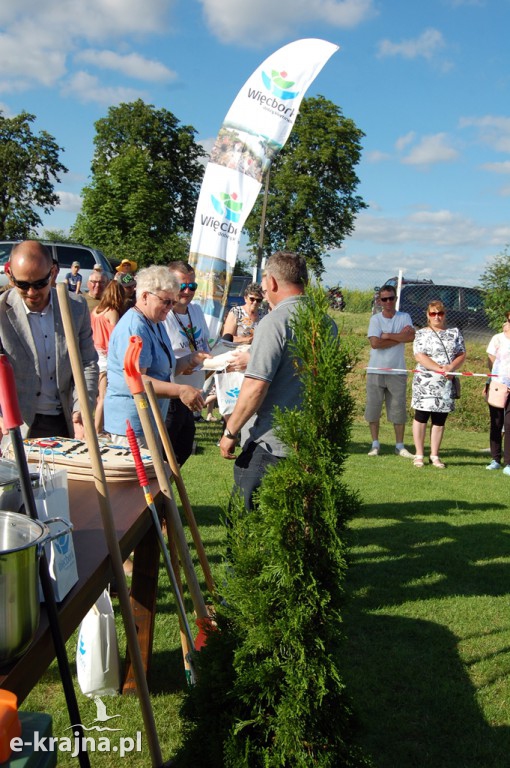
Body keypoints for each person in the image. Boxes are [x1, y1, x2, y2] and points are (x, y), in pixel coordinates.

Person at [218, 250, 310, 511]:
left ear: (271, 282)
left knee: (245, 521)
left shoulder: (274, 322)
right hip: (307, 440)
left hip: (271, 442)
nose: (263, 294)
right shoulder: (324, 322)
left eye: (264, 285)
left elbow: (256, 387)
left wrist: (230, 431)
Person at [0, 240, 98, 439]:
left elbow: (87, 362)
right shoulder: (1, 311)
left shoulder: (75, 307)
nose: (31, 292)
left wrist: (82, 409)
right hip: (16, 425)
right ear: (10, 277)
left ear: (53, 273)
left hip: (64, 420)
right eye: (23, 284)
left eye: (39, 283)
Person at [104, 265, 207, 446]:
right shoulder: (135, 327)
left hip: (150, 420)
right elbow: (137, 380)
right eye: (166, 301)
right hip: (132, 424)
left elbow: (164, 368)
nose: (170, 307)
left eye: (173, 302)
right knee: (140, 475)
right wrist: (181, 390)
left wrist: (192, 359)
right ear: (145, 296)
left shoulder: (155, 322)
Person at [163, 261, 212, 465]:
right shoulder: (163, 315)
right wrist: (188, 362)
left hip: (193, 392)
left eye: (192, 286)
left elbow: (205, 347)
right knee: (165, 454)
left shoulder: (197, 311)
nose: (187, 291)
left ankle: (165, 494)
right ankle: (159, 496)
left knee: (183, 450)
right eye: (182, 285)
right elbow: (163, 362)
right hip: (172, 394)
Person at [411, 300, 466, 468]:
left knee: (439, 419)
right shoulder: (421, 333)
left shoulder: (454, 332)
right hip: (425, 381)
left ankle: (434, 455)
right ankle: (419, 454)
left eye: (440, 313)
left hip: (446, 383)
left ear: (444, 315)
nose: (437, 317)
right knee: (421, 417)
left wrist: (451, 368)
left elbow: (461, 353)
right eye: (433, 313)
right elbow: (419, 355)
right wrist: (439, 369)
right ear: (428, 315)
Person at [365, 284, 415, 457]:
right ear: (379, 301)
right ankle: (375, 444)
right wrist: (398, 338)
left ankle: (399, 446)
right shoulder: (375, 319)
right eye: (384, 299)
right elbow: (375, 343)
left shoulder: (405, 316)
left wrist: (386, 335)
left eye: (391, 298)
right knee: (373, 409)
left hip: (397, 371)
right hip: (375, 370)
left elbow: (410, 337)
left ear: (395, 299)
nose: (387, 302)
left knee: (398, 410)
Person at [90, 279, 125, 434]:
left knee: (99, 396)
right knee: (104, 397)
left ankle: (98, 427)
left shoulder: (96, 310)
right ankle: (97, 430)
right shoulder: (112, 312)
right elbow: (115, 338)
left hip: (94, 353)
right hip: (106, 355)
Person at [485, 311, 510, 472]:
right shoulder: (498, 338)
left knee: (509, 424)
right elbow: (491, 362)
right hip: (498, 385)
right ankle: (495, 459)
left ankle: (508, 463)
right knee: (496, 423)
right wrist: (491, 382)